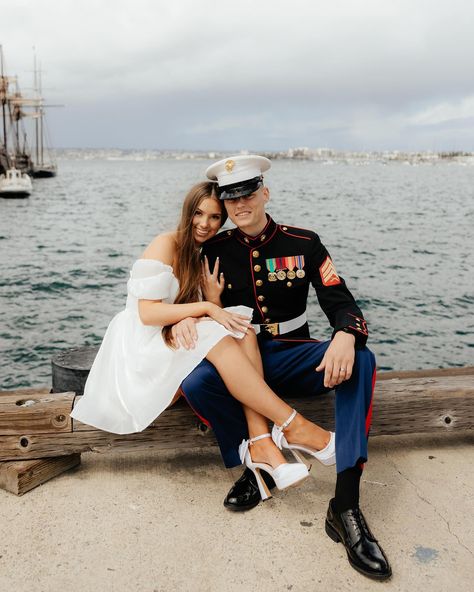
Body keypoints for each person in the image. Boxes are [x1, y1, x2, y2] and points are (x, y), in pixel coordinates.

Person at [174, 156, 392, 580]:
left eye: (248, 193)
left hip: (290, 354)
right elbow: (186, 296)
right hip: (237, 358)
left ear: (265, 193)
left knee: (361, 360)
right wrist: (186, 314)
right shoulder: (213, 250)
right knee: (194, 382)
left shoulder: (304, 243)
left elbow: (340, 300)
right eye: (230, 197)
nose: (239, 205)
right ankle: (259, 468)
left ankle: (345, 505)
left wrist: (347, 334)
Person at [70, 180, 335, 499]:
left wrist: (199, 310)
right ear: (187, 211)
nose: (205, 224)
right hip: (139, 349)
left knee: (241, 329)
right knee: (228, 334)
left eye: (214, 218)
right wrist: (205, 307)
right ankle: (291, 425)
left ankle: (262, 445)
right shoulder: (166, 243)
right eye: (198, 214)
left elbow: (181, 310)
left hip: (167, 336)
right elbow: (147, 314)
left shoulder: (200, 256)